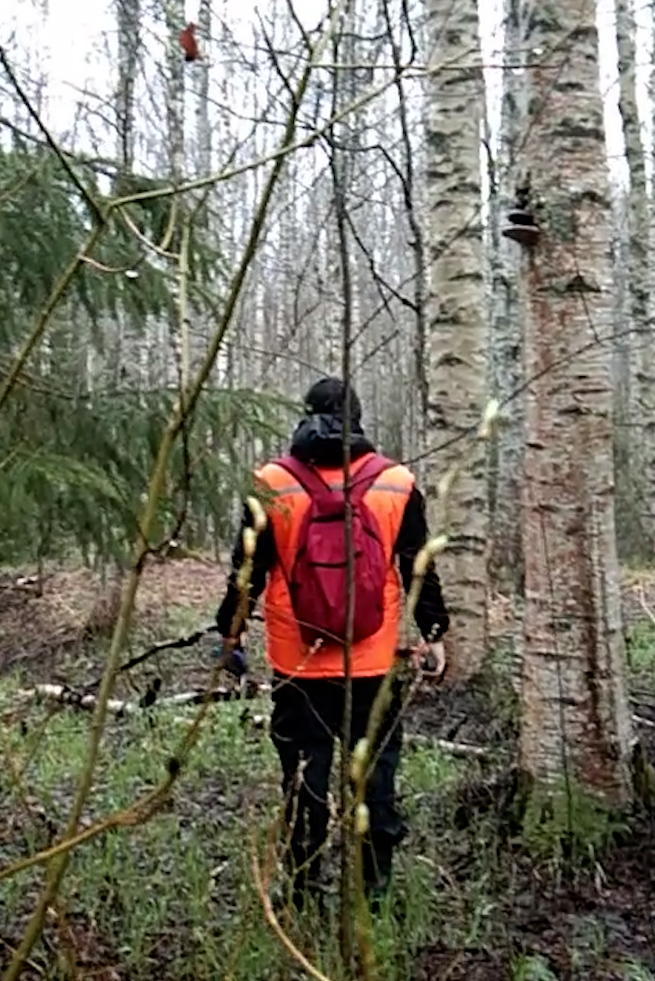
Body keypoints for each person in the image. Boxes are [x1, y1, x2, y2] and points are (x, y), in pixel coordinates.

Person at [211, 376, 451, 912]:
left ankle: (301, 891)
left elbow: (245, 571)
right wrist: (434, 633)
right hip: (374, 662)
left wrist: (230, 635)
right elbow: (418, 566)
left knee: (304, 779)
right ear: (360, 420)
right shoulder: (395, 481)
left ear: (305, 416)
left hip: (297, 666)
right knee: (376, 774)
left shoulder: (272, 481)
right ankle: (374, 892)